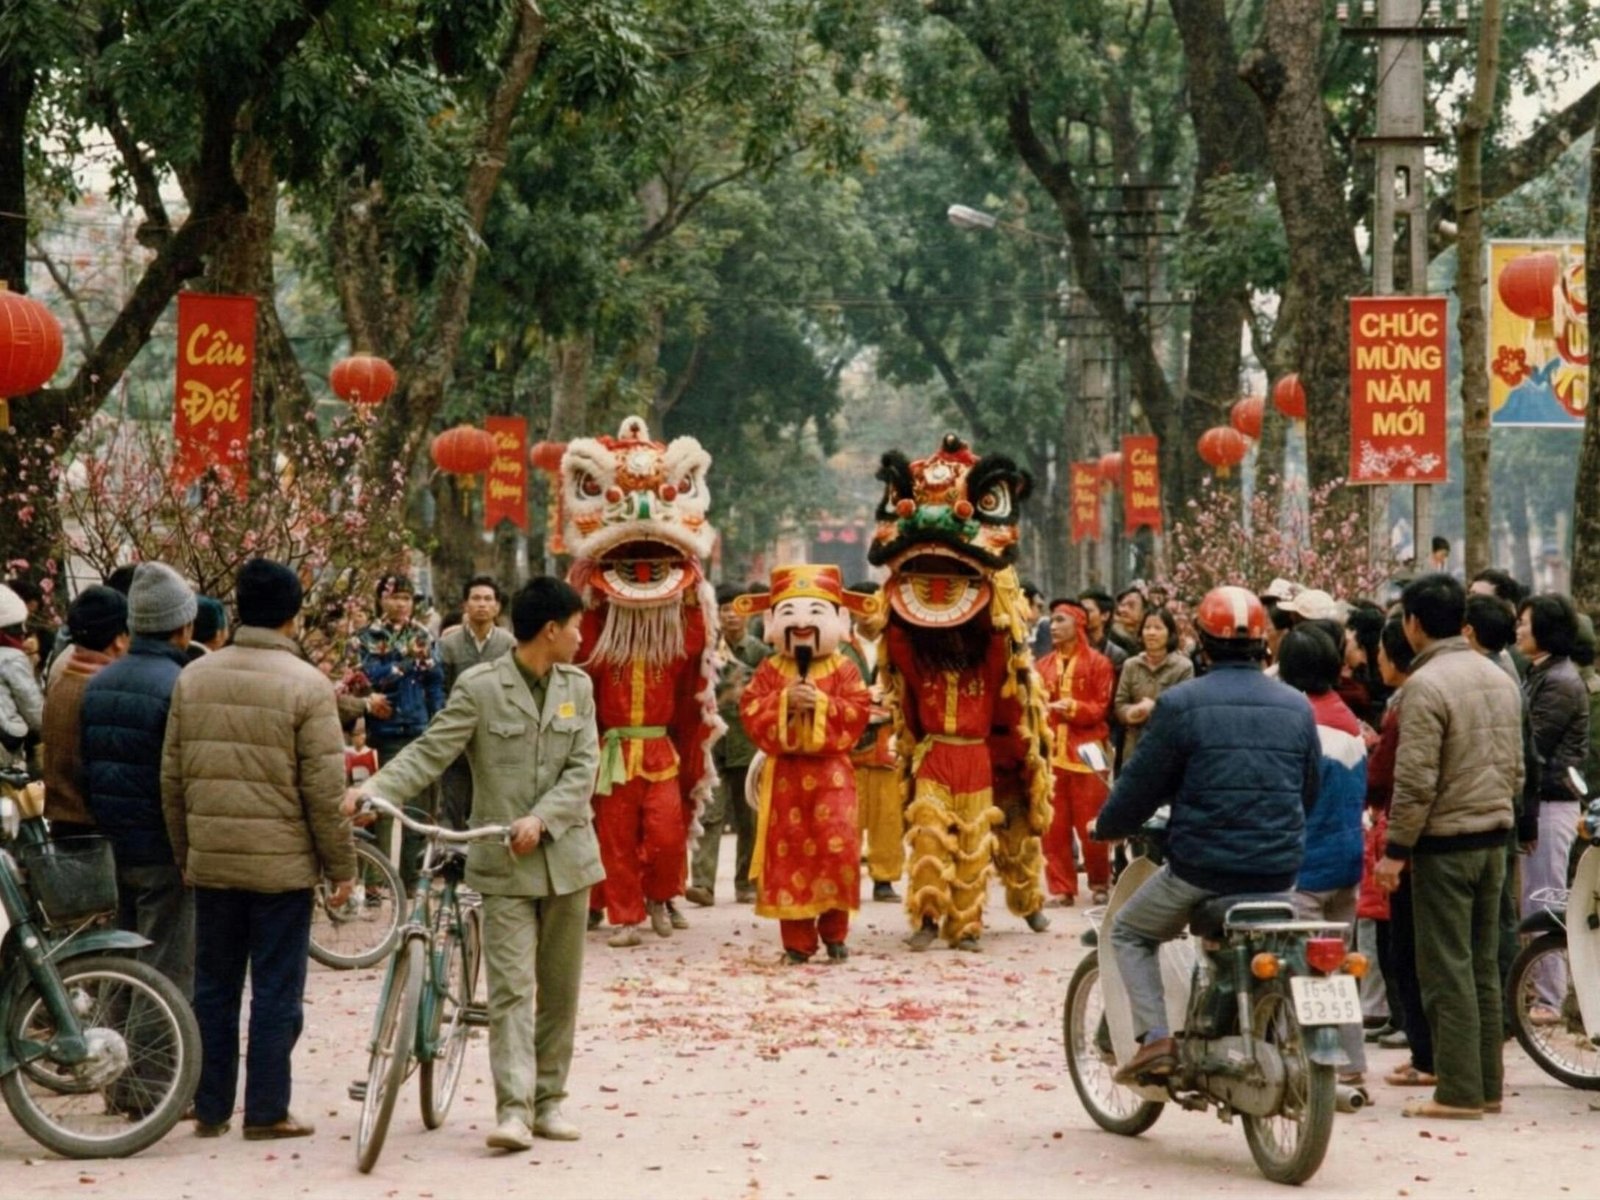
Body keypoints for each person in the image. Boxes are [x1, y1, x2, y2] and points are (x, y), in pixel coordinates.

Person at [348, 576, 602, 1150]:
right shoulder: (480, 688)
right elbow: (432, 750)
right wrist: (377, 790)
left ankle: (549, 1102)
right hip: (503, 862)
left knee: (559, 991)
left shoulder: (578, 689)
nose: (582, 638)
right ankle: (513, 1111)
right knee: (512, 988)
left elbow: (583, 768)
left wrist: (542, 819)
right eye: (577, 627)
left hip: (569, 858)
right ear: (551, 629)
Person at [162, 558, 356, 1140]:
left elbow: (171, 780)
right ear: (295, 616)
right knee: (276, 990)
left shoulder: (194, 677)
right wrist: (341, 867)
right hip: (282, 869)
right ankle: (268, 1110)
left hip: (214, 863)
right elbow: (326, 791)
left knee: (214, 988)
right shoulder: (309, 687)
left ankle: (213, 1105)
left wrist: (185, 853)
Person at [1093, 585, 1319, 1083]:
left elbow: (1141, 786)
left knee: (1129, 931)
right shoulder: (1297, 706)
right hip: (1279, 867)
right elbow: (1308, 792)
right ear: (1264, 643)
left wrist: (1108, 826)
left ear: (1201, 641)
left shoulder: (1181, 705)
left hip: (1203, 868)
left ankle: (1155, 1041)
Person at [1373, 573, 1523, 1120]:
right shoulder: (1498, 676)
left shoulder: (1425, 687)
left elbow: (1415, 782)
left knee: (1446, 969)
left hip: (1445, 845)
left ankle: (1458, 1092)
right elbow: (1517, 767)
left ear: (1413, 624)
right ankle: (1486, 1084)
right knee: (1483, 965)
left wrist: (1395, 851)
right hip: (1494, 838)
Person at [735, 566, 873, 962]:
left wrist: (824, 704)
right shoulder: (769, 671)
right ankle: (797, 943)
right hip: (785, 778)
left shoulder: (844, 668)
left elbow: (860, 712)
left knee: (837, 852)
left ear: (839, 620)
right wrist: (783, 703)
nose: (801, 622)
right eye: (789, 612)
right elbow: (748, 710)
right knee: (789, 855)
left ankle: (834, 934)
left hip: (832, 775)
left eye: (815, 611)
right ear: (771, 622)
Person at [81, 562, 199, 995]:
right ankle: (159, 1064)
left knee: (121, 962)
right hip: (163, 849)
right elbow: (182, 776)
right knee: (165, 970)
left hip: (114, 845)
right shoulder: (181, 684)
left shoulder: (99, 682)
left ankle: (113, 1053)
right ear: (182, 626)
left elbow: (87, 765)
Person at [1278, 623, 1370, 1088]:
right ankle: (1351, 1063)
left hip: (1305, 865)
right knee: (1335, 972)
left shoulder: (1296, 721)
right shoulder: (1348, 719)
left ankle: (1316, 1067)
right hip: (1347, 862)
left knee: (1302, 974)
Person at [1515, 592, 1590, 1020]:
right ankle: (1538, 989)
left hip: (1551, 803)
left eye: (1525, 622)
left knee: (1546, 900)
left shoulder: (1559, 682)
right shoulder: (1542, 673)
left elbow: (1534, 748)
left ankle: (1549, 996)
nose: (1519, 629)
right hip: (1539, 802)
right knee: (1533, 899)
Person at [356, 574, 445, 882]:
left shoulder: (422, 634)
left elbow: (435, 680)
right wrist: (406, 660)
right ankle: (374, 883)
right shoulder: (368, 635)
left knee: (417, 811)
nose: (400, 604)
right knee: (377, 806)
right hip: (383, 728)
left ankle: (410, 880)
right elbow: (369, 677)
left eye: (406, 598)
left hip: (417, 725)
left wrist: (438, 717)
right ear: (382, 599)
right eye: (394, 597)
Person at [688, 584, 769, 907]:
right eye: (724, 609)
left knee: (749, 814)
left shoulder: (762, 652)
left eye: (737, 608)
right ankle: (703, 884)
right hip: (713, 742)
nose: (731, 615)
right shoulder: (707, 650)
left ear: (749, 613)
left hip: (749, 743)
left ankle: (747, 882)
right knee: (710, 811)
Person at [1035, 599, 1115, 906]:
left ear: (1077, 624)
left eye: (1059, 621)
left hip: (1087, 755)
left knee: (1091, 823)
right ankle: (1062, 887)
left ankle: (1098, 881)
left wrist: (1071, 708)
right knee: (1053, 828)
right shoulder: (1041, 666)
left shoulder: (1099, 664)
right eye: (1051, 622)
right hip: (1052, 755)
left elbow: (1100, 708)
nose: (1053, 627)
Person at [41, 586, 129, 838]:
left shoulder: (62, 680)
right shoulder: (103, 690)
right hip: (94, 834)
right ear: (119, 639)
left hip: (61, 824)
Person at [436, 575, 516, 830]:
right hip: (457, 739)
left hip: (497, 738)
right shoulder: (448, 645)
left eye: (488, 599)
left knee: (491, 810)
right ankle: (451, 867)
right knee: (452, 809)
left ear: (497, 607)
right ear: (465, 605)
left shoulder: (509, 645)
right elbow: (440, 689)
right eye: (476, 598)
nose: (482, 604)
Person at [841, 584, 902, 903]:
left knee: (888, 818)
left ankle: (884, 879)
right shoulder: (838, 646)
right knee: (847, 816)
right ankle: (844, 876)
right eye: (862, 607)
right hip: (848, 745)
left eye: (875, 607)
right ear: (851, 609)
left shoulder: (898, 646)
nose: (869, 615)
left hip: (886, 742)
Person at [1113, 607, 1194, 765]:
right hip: (1134, 748)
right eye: (1147, 628)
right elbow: (1119, 703)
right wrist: (1130, 713)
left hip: (1169, 749)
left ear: (1170, 633)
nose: (1151, 633)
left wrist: (1155, 708)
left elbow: (1186, 710)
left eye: (1158, 628)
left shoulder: (1183, 667)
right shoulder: (1131, 665)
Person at [0, 583, 44, 768]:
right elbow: (34, 710)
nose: (23, 632)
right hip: (7, 744)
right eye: (18, 627)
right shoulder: (12, 658)